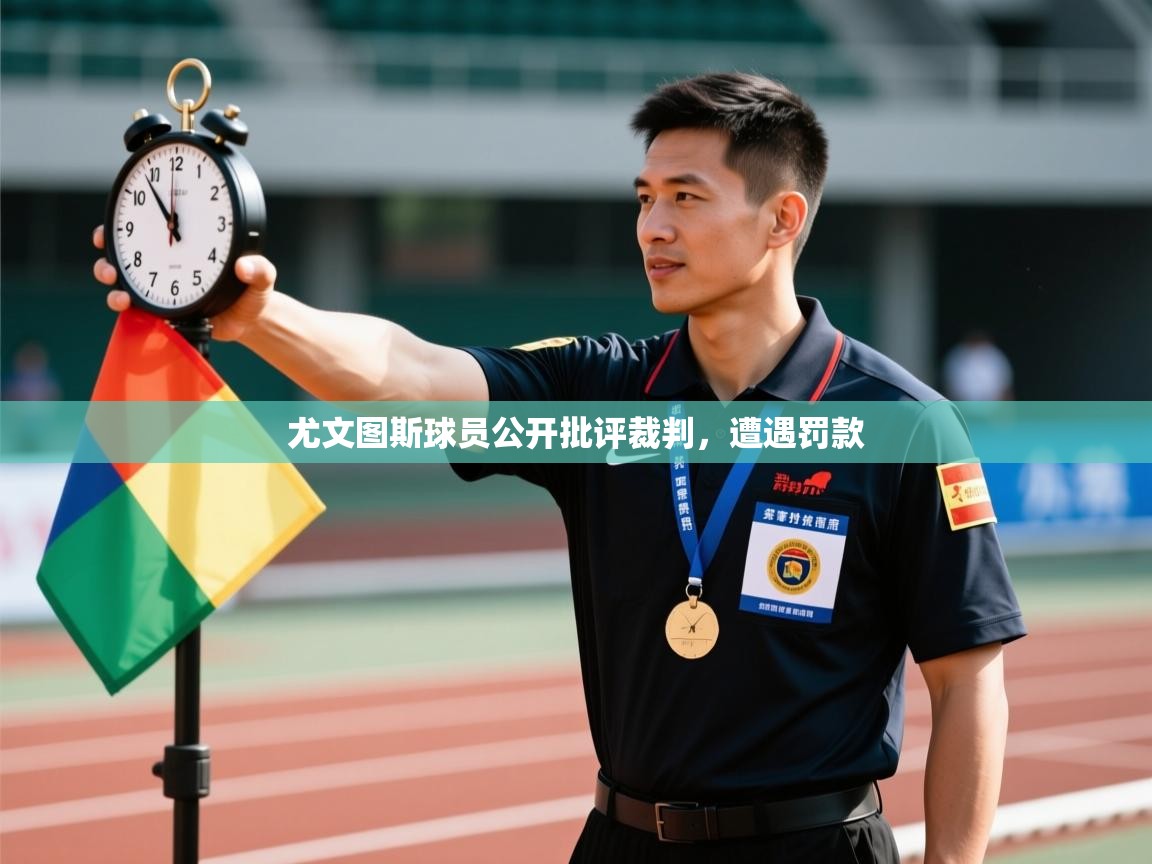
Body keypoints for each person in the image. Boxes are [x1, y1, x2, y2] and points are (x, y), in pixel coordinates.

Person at [94, 73, 1025, 863]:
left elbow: (967, 680)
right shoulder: (602, 387)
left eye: (687, 197)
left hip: (813, 846)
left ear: (782, 218)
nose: (652, 227)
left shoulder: (905, 426)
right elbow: (410, 372)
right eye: (644, 198)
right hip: (619, 840)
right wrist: (252, 313)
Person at [942, 330, 1015, 401]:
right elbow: (949, 385)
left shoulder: (995, 355)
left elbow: (1005, 387)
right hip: (963, 403)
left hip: (992, 404)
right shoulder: (957, 355)